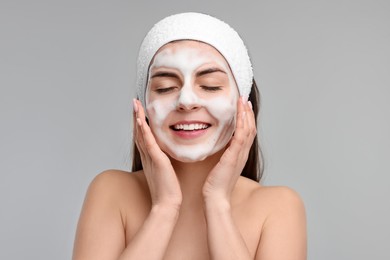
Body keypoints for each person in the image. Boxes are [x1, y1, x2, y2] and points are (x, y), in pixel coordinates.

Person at [73, 12, 306, 260]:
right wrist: (164, 208)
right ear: (142, 106)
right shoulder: (111, 192)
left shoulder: (279, 208)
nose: (186, 101)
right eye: (165, 88)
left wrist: (218, 204)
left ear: (244, 105)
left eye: (210, 85)